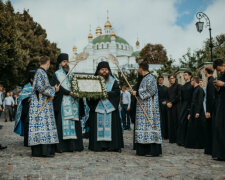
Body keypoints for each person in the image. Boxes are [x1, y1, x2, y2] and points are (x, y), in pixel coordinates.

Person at [87, 61, 124, 152]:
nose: (104, 71)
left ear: (109, 71)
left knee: (111, 128)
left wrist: (106, 94)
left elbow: (116, 93)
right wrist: (97, 95)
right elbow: (89, 94)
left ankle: (112, 146)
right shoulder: (93, 80)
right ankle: (98, 146)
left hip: (110, 108)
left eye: (106, 69)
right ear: (98, 70)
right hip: (97, 107)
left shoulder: (113, 81)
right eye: (102, 69)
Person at [51, 53, 84, 153]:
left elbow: (77, 85)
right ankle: (62, 147)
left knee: (74, 123)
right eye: (64, 62)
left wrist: (78, 92)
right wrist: (68, 92)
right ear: (60, 63)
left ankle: (74, 146)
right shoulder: (56, 74)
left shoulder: (72, 73)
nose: (66, 63)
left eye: (67, 61)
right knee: (62, 123)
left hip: (74, 102)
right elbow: (57, 87)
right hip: (63, 102)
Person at [28, 56, 59, 157]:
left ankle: (44, 151)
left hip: (42, 103)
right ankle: (43, 152)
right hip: (40, 105)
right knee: (42, 125)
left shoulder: (40, 72)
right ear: (48, 63)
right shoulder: (41, 72)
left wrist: (52, 90)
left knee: (43, 125)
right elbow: (41, 87)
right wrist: (54, 91)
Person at [132, 61, 162, 157]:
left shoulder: (150, 78)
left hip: (150, 108)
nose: (138, 70)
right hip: (142, 107)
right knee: (144, 127)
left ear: (141, 68)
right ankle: (143, 150)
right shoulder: (144, 78)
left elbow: (152, 91)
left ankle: (152, 151)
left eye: (138, 68)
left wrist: (137, 93)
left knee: (150, 126)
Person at [14, 70, 35, 146]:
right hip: (27, 110)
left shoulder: (36, 86)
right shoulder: (26, 87)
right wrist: (29, 98)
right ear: (31, 79)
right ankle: (27, 141)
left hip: (35, 110)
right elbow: (22, 98)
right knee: (27, 124)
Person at [185, 76, 205, 149]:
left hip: (198, 111)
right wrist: (190, 113)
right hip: (193, 111)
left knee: (198, 128)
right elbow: (192, 102)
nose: (191, 82)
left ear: (194, 81)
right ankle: (193, 144)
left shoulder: (200, 89)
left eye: (191, 81)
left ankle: (199, 145)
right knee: (192, 127)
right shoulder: (194, 89)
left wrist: (197, 112)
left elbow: (200, 101)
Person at [212, 59, 225, 161]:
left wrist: (223, 85)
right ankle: (220, 154)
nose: (220, 72)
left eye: (220, 70)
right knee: (219, 127)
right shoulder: (221, 77)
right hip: (221, 106)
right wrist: (218, 88)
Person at [176, 71, 193, 146]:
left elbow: (192, 97)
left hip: (190, 105)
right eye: (183, 75)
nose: (184, 76)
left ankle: (186, 141)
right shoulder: (183, 86)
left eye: (185, 75)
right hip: (183, 105)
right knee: (181, 122)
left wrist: (190, 108)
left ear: (190, 76)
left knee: (187, 123)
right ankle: (181, 140)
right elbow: (181, 98)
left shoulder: (192, 85)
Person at [204, 67, 216, 155]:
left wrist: (208, 111)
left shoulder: (211, 81)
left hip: (211, 110)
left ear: (206, 72)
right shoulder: (211, 80)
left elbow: (211, 97)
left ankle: (211, 149)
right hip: (211, 109)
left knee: (210, 129)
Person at [167, 74, 181, 143]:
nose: (171, 79)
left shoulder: (178, 86)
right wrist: (167, 103)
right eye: (170, 78)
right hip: (170, 107)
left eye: (172, 78)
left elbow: (178, 96)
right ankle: (172, 139)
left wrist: (172, 102)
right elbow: (167, 97)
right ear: (168, 80)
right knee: (171, 122)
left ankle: (178, 139)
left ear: (175, 79)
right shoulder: (169, 88)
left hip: (176, 106)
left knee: (176, 122)